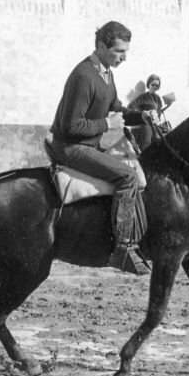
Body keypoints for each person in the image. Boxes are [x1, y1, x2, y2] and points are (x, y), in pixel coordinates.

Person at [46, 20, 150, 275]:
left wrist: (144, 116)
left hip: (89, 144)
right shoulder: (84, 75)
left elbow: (118, 111)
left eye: (126, 51)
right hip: (71, 147)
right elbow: (71, 126)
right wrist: (106, 124)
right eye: (118, 51)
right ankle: (122, 248)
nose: (123, 57)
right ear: (102, 46)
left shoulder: (106, 73)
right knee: (127, 176)